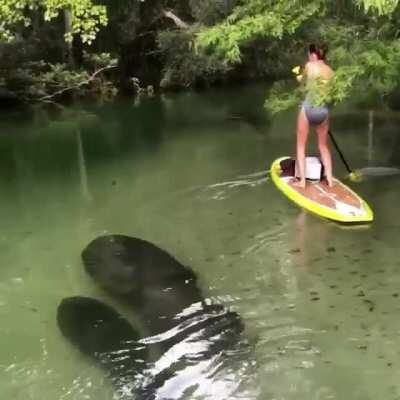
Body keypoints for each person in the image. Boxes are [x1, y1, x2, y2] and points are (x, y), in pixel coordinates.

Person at [294, 43, 335, 188]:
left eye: (308, 54)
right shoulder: (331, 71)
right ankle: (329, 179)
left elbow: (303, 85)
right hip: (323, 111)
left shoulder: (310, 66)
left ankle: (303, 181)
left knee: (301, 145)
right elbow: (332, 95)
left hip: (308, 108)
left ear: (313, 54)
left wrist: (299, 76)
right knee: (323, 146)